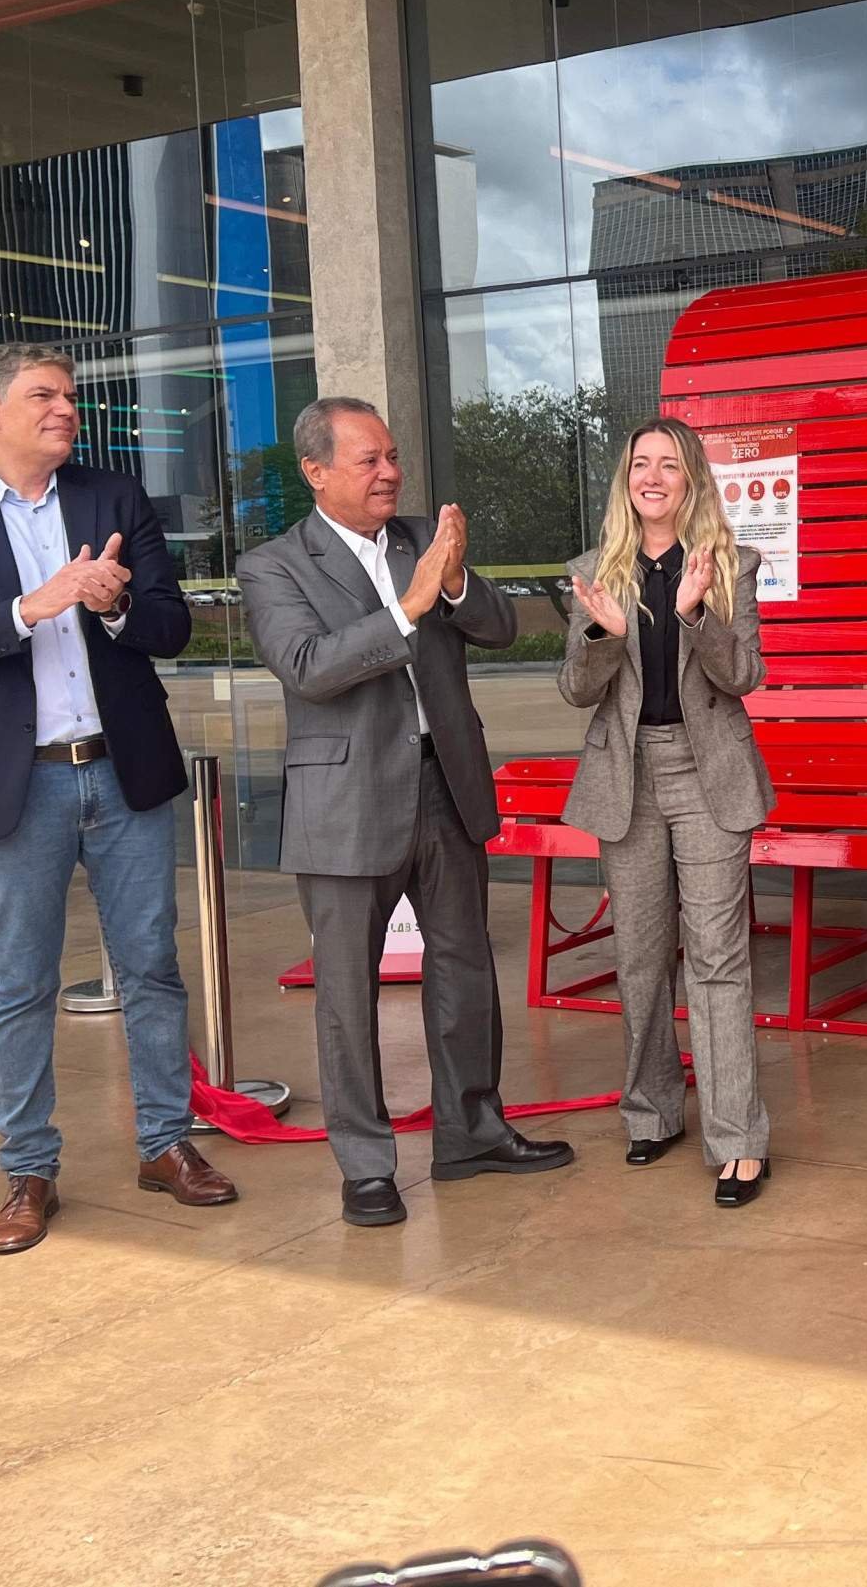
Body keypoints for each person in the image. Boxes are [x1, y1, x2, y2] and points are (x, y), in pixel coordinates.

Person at [0, 342, 237, 1254]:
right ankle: (29, 1168)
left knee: (152, 966)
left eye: (72, 396)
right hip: (16, 780)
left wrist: (116, 605)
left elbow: (172, 625)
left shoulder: (115, 498)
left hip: (121, 770)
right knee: (19, 981)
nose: (65, 408)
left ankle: (166, 1143)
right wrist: (28, 607)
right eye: (44, 395)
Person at [236, 396, 573, 1228]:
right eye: (368, 461)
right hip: (344, 802)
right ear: (316, 473)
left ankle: (473, 1133)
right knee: (347, 992)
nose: (390, 472)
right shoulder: (274, 565)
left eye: (392, 456)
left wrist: (453, 580)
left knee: (464, 967)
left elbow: (501, 626)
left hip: (445, 782)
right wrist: (408, 607)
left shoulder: (426, 537)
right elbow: (310, 666)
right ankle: (366, 1165)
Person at [558, 418, 777, 1206]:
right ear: (627, 479)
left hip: (707, 773)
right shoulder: (592, 570)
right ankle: (652, 1112)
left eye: (670, 464)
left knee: (717, 957)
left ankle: (738, 1139)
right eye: (640, 463)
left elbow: (743, 673)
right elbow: (578, 689)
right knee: (644, 959)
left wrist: (693, 613)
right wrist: (602, 633)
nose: (653, 475)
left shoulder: (730, 565)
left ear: (691, 479)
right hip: (630, 778)